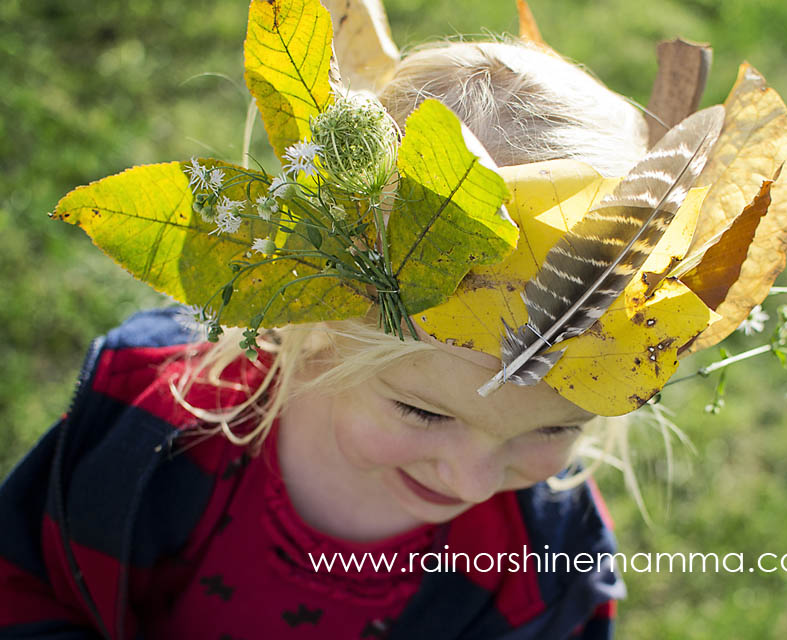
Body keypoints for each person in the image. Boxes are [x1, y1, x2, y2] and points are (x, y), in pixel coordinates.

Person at [0, 37, 655, 640]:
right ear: (316, 319)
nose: (473, 480)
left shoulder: (549, 559)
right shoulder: (149, 422)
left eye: (551, 430)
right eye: (422, 411)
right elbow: (23, 585)